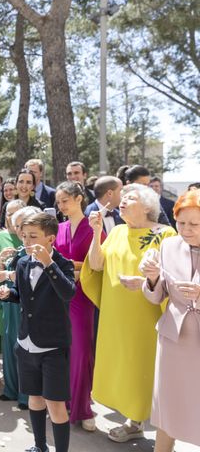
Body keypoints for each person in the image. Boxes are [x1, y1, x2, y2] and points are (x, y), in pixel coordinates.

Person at [80, 184, 177, 442]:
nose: (122, 201)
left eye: (130, 198)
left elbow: (174, 274)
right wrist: (97, 232)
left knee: (145, 367)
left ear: (147, 207)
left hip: (147, 316)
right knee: (125, 367)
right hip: (115, 316)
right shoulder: (118, 231)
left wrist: (147, 282)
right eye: (122, 198)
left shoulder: (165, 234)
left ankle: (161, 430)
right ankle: (133, 421)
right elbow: (97, 264)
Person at [0, 212, 76, 452]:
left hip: (52, 346)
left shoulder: (63, 264)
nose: (27, 242)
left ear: (50, 238)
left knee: (56, 404)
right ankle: (39, 447)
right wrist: (9, 294)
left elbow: (68, 293)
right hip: (27, 343)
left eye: (33, 236)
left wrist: (48, 264)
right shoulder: (22, 263)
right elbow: (23, 296)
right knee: (35, 398)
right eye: (24, 236)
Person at [140, 189, 200, 451]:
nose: (185, 230)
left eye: (194, 224)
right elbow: (157, 296)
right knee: (168, 408)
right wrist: (152, 278)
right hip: (173, 340)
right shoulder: (168, 245)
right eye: (180, 222)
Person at [54, 181, 99, 431]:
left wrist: (76, 267)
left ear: (79, 198)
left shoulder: (93, 227)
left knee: (82, 351)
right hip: (60, 296)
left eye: (65, 201)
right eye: (59, 202)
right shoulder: (58, 228)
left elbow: (98, 262)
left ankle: (84, 406)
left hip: (83, 296)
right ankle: (67, 401)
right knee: (63, 351)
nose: (61, 206)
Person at [0, 203, 37, 409]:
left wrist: (9, 274)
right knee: (10, 347)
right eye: (17, 225)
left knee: (23, 349)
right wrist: (3, 262)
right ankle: (10, 389)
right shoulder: (18, 249)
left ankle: (25, 396)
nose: (19, 231)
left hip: (25, 305)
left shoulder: (35, 250)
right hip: (10, 303)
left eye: (22, 226)